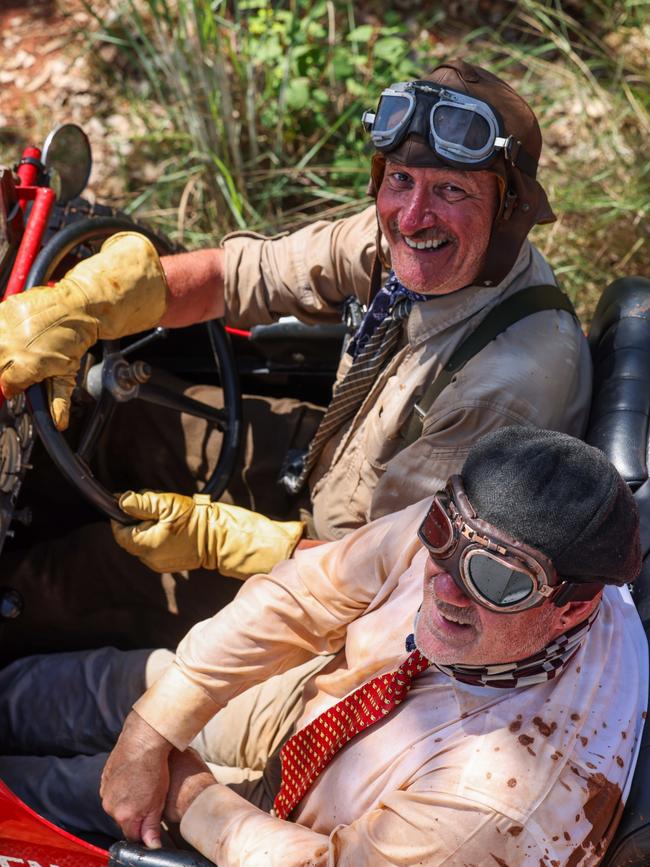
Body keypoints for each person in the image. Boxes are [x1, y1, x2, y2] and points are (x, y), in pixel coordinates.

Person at [0, 59, 592, 657]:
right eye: (401, 180)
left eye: (452, 190)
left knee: (64, 580)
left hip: (333, 595)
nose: (413, 218)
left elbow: (396, 582)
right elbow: (235, 277)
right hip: (318, 466)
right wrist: (85, 303)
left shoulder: (504, 386)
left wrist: (221, 544)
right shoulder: (408, 240)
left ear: (509, 210)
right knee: (122, 420)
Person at [0, 426, 646, 867]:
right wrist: (151, 729)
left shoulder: (495, 806)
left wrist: (180, 787)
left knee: (51, 798)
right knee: (84, 689)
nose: (444, 584)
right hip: (313, 700)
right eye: (440, 533)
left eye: (496, 579)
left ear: (574, 606)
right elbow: (302, 595)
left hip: (305, 832)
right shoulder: (492, 525)